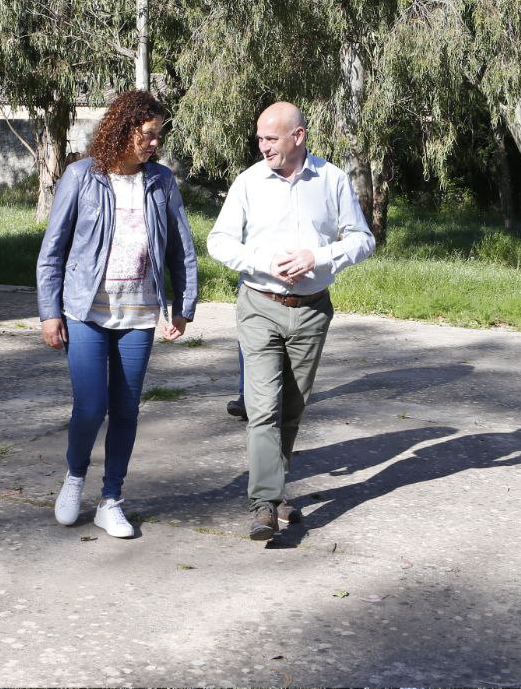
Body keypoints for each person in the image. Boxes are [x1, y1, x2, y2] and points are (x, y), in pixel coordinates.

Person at [207, 102, 375, 540]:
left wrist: (316, 257)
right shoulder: (248, 182)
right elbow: (220, 241)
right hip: (259, 305)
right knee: (262, 408)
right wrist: (264, 263)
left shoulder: (332, 180)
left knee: (292, 410)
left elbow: (362, 239)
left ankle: (277, 492)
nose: (263, 147)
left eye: (271, 139)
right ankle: (264, 503)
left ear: (298, 137)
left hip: (313, 309)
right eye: (259, 138)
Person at [36, 90, 198, 539]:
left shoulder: (161, 182)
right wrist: (50, 312)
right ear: (124, 129)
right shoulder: (82, 177)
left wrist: (183, 306)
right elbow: (53, 251)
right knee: (91, 405)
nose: (154, 144)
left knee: (125, 408)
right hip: (86, 310)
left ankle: (111, 499)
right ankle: (74, 477)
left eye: (158, 136)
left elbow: (180, 249)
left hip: (139, 311)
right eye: (148, 134)